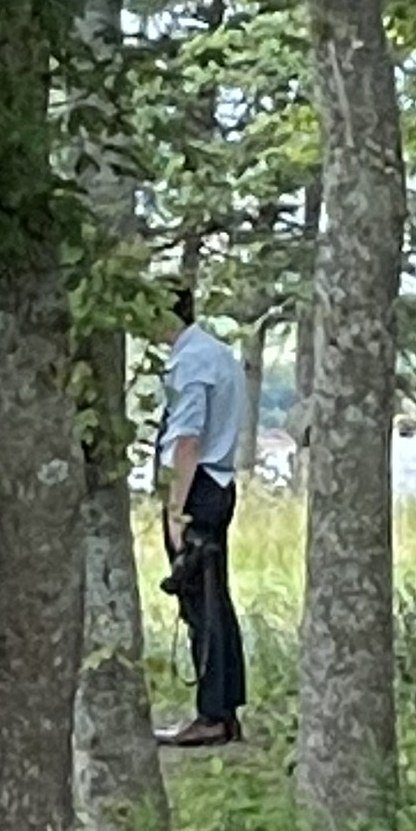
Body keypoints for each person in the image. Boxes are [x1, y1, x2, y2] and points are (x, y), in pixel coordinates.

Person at [157, 284, 248, 748]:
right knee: (213, 598)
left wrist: (176, 511)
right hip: (217, 481)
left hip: (198, 486)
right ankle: (224, 707)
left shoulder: (192, 361)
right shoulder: (216, 353)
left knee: (201, 603)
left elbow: (187, 440)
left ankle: (213, 714)